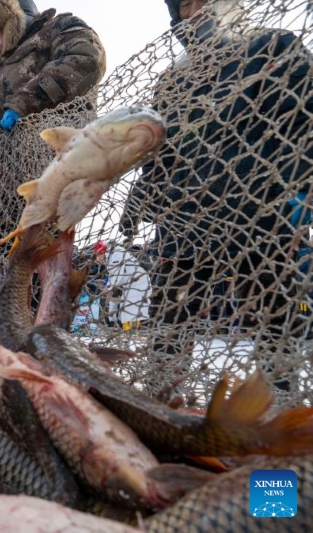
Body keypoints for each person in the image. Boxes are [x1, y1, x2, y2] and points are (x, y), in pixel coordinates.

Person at [119, 0, 313, 393]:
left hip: (262, 211)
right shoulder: (173, 80)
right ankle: (161, 406)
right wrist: (144, 192)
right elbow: (161, 153)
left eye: (203, 0)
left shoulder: (272, 45)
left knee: (277, 324)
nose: (195, 13)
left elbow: (304, 122)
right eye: (184, 7)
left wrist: (300, 191)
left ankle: (282, 407)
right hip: (184, 222)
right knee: (167, 330)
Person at [0, 0, 106, 264]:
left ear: (16, 20)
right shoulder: (0, 67)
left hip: (47, 178)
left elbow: (86, 59)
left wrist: (24, 102)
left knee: (36, 270)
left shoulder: (59, 27)